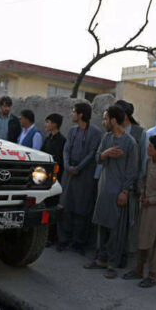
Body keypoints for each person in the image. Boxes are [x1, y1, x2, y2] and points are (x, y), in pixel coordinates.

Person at [84, 106, 138, 279]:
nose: (103, 122)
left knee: (116, 229)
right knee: (102, 224)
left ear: (114, 120)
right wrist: (106, 153)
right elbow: (97, 157)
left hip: (118, 190)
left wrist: (125, 191)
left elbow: (132, 170)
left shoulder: (130, 142)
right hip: (104, 187)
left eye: (106, 118)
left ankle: (113, 264)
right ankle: (100, 259)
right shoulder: (106, 137)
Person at [121, 135, 156, 288]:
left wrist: (152, 200)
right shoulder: (149, 162)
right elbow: (145, 180)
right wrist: (142, 192)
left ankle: (152, 275)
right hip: (145, 206)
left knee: (154, 242)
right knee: (142, 239)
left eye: (151, 146)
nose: (148, 148)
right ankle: (139, 269)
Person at [58, 102, 102, 255]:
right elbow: (66, 149)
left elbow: (92, 154)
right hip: (69, 174)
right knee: (66, 207)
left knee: (81, 209)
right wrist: (67, 165)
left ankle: (79, 242)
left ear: (81, 114)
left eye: (74, 111)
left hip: (84, 176)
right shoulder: (72, 131)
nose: (72, 114)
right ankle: (63, 240)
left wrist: (78, 168)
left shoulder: (95, 132)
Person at [114, 100, 147, 267]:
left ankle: (125, 253)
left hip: (131, 185)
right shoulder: (114, 131)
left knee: (129, 222)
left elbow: (143, 161)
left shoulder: (139, 133)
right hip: (114, 182)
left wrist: (138, 185)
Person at [42, 113, 66, 247]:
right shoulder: (48, 139)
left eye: (48, 122)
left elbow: (59, 161)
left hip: (55, 179)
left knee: (52, 207)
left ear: (55, 124)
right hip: (44, 179)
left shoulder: (61, 140)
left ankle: (51, 237)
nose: (46, 124)